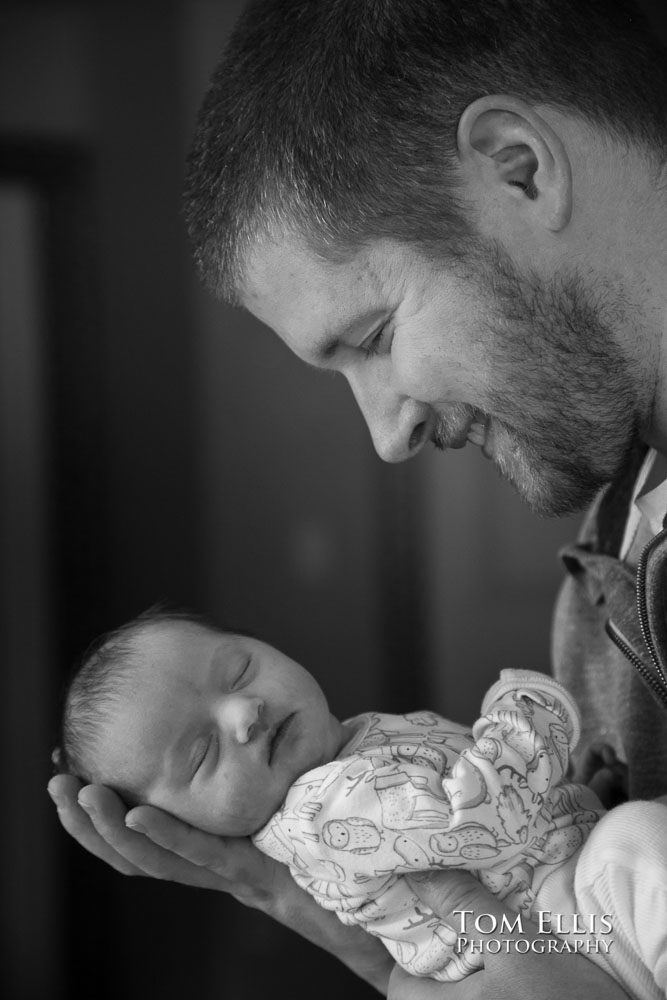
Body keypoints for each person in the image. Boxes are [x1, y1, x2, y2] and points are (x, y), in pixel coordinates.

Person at [48, 0, 667, 996]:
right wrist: (397, 964)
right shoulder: (597, 601)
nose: (387, 437)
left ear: (519, 166)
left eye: (372, 335)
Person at [55, 609, 666, 999]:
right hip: (556, 931)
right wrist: (531, 717)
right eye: (200, 755)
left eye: (239, 670)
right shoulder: (329, 809)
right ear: (185, 822)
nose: (244, 714)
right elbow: (474, 822)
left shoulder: (348, 749)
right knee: (637, 841)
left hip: (555, 927)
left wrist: (567, 798)